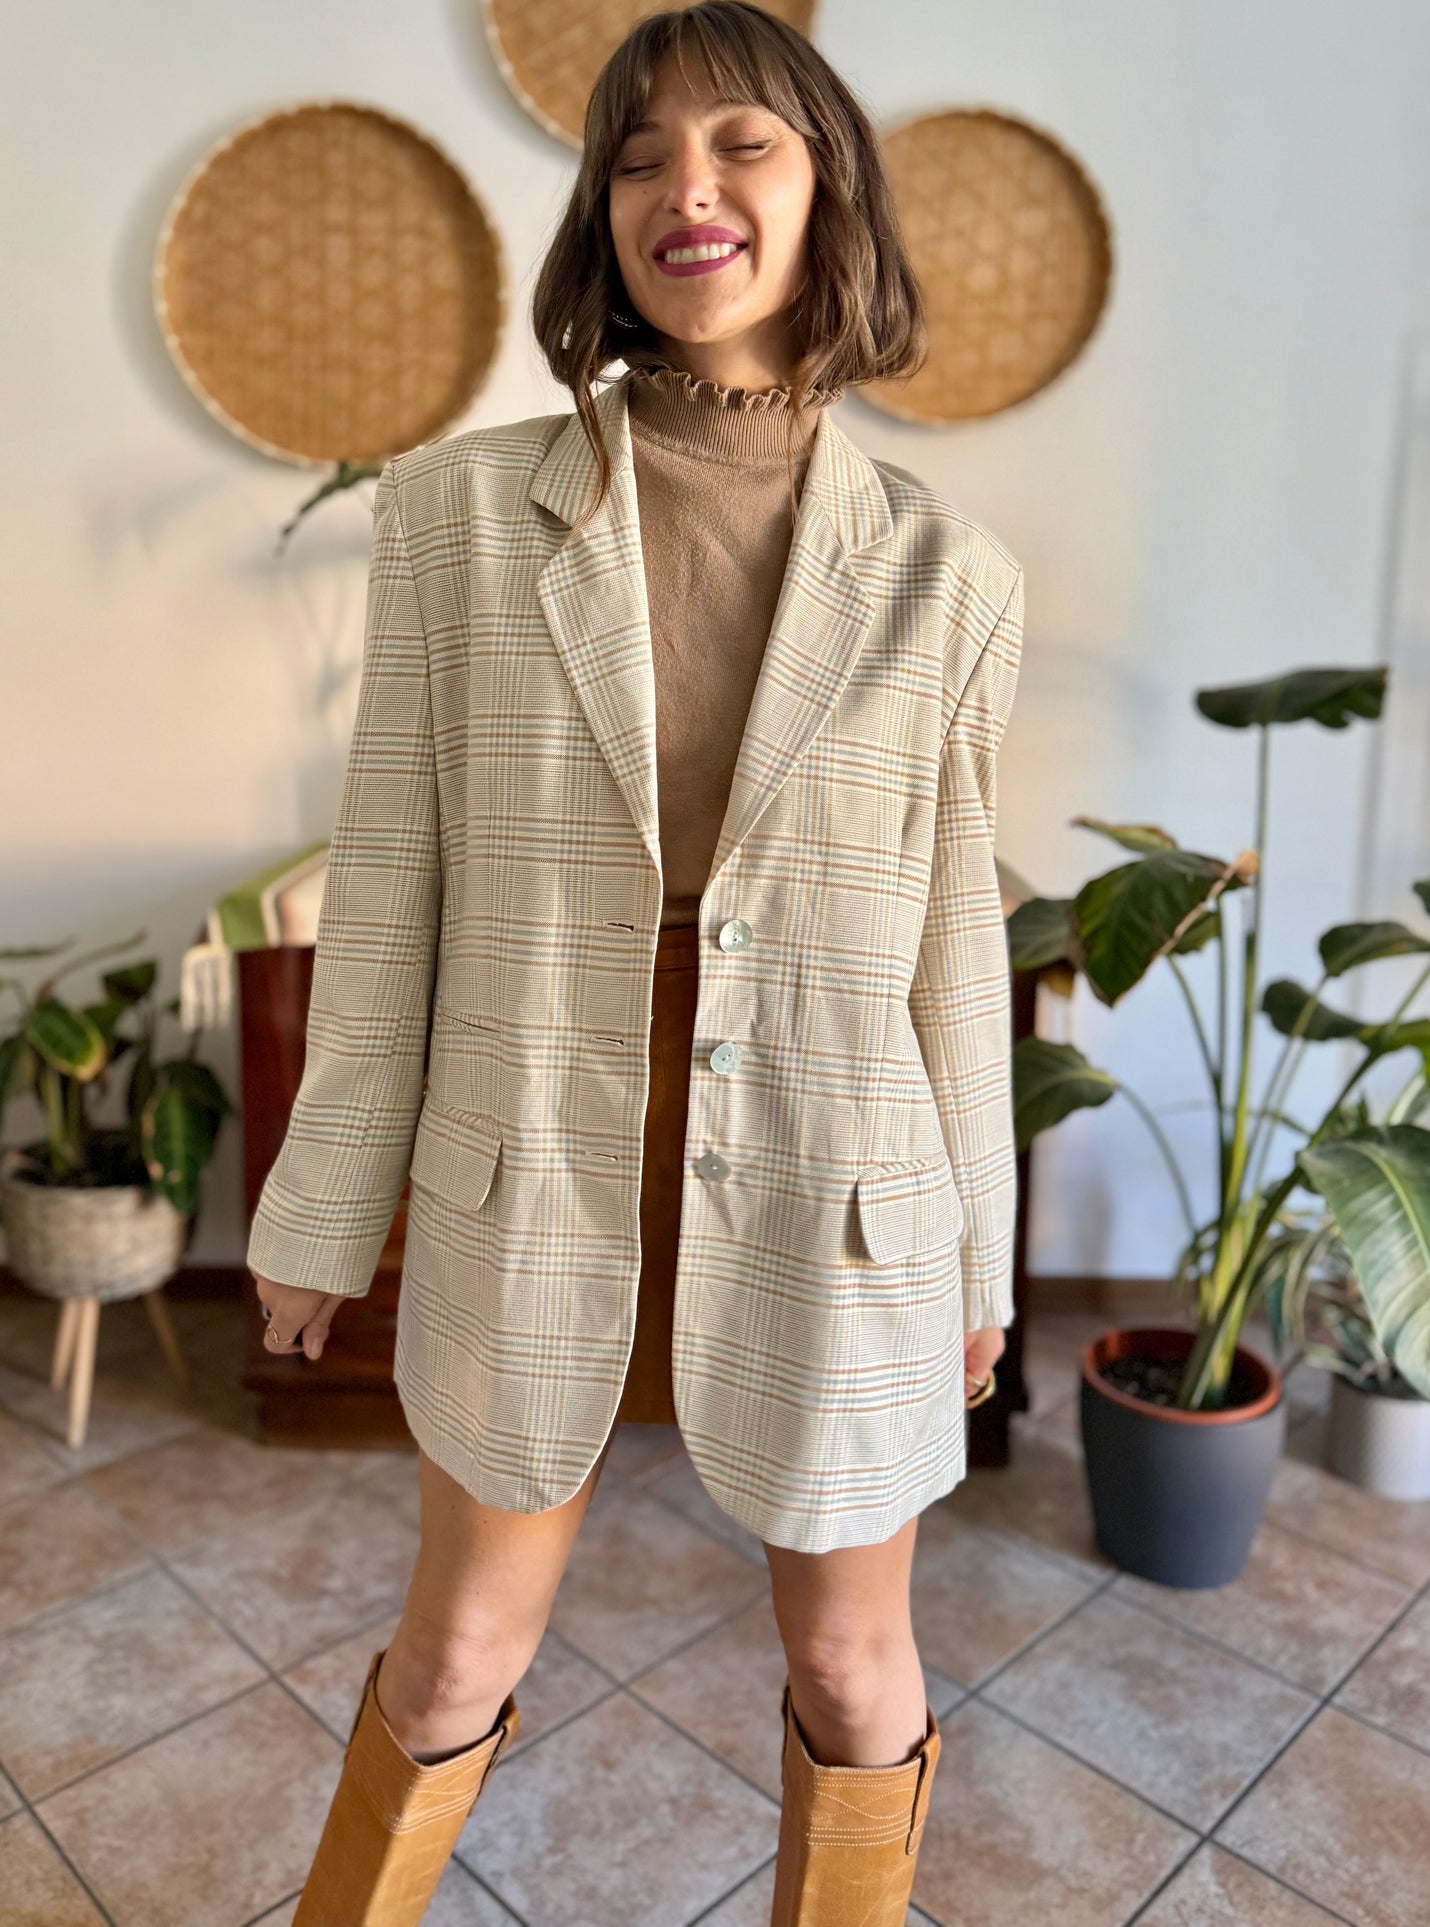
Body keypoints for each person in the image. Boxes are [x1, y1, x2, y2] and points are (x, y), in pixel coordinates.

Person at [248, 6, 1023, 1922]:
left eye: (744, 144)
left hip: (844, 1178)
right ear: (601, 212)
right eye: (640, 154)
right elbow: (395, 887)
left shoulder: (948, 574)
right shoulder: (454, 520)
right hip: (535, 1145)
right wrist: (320, 1202)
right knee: (452, 1660)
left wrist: (980, 1258)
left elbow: (951, 948)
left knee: (852, 1674)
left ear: (824, 181)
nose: (690, 190)